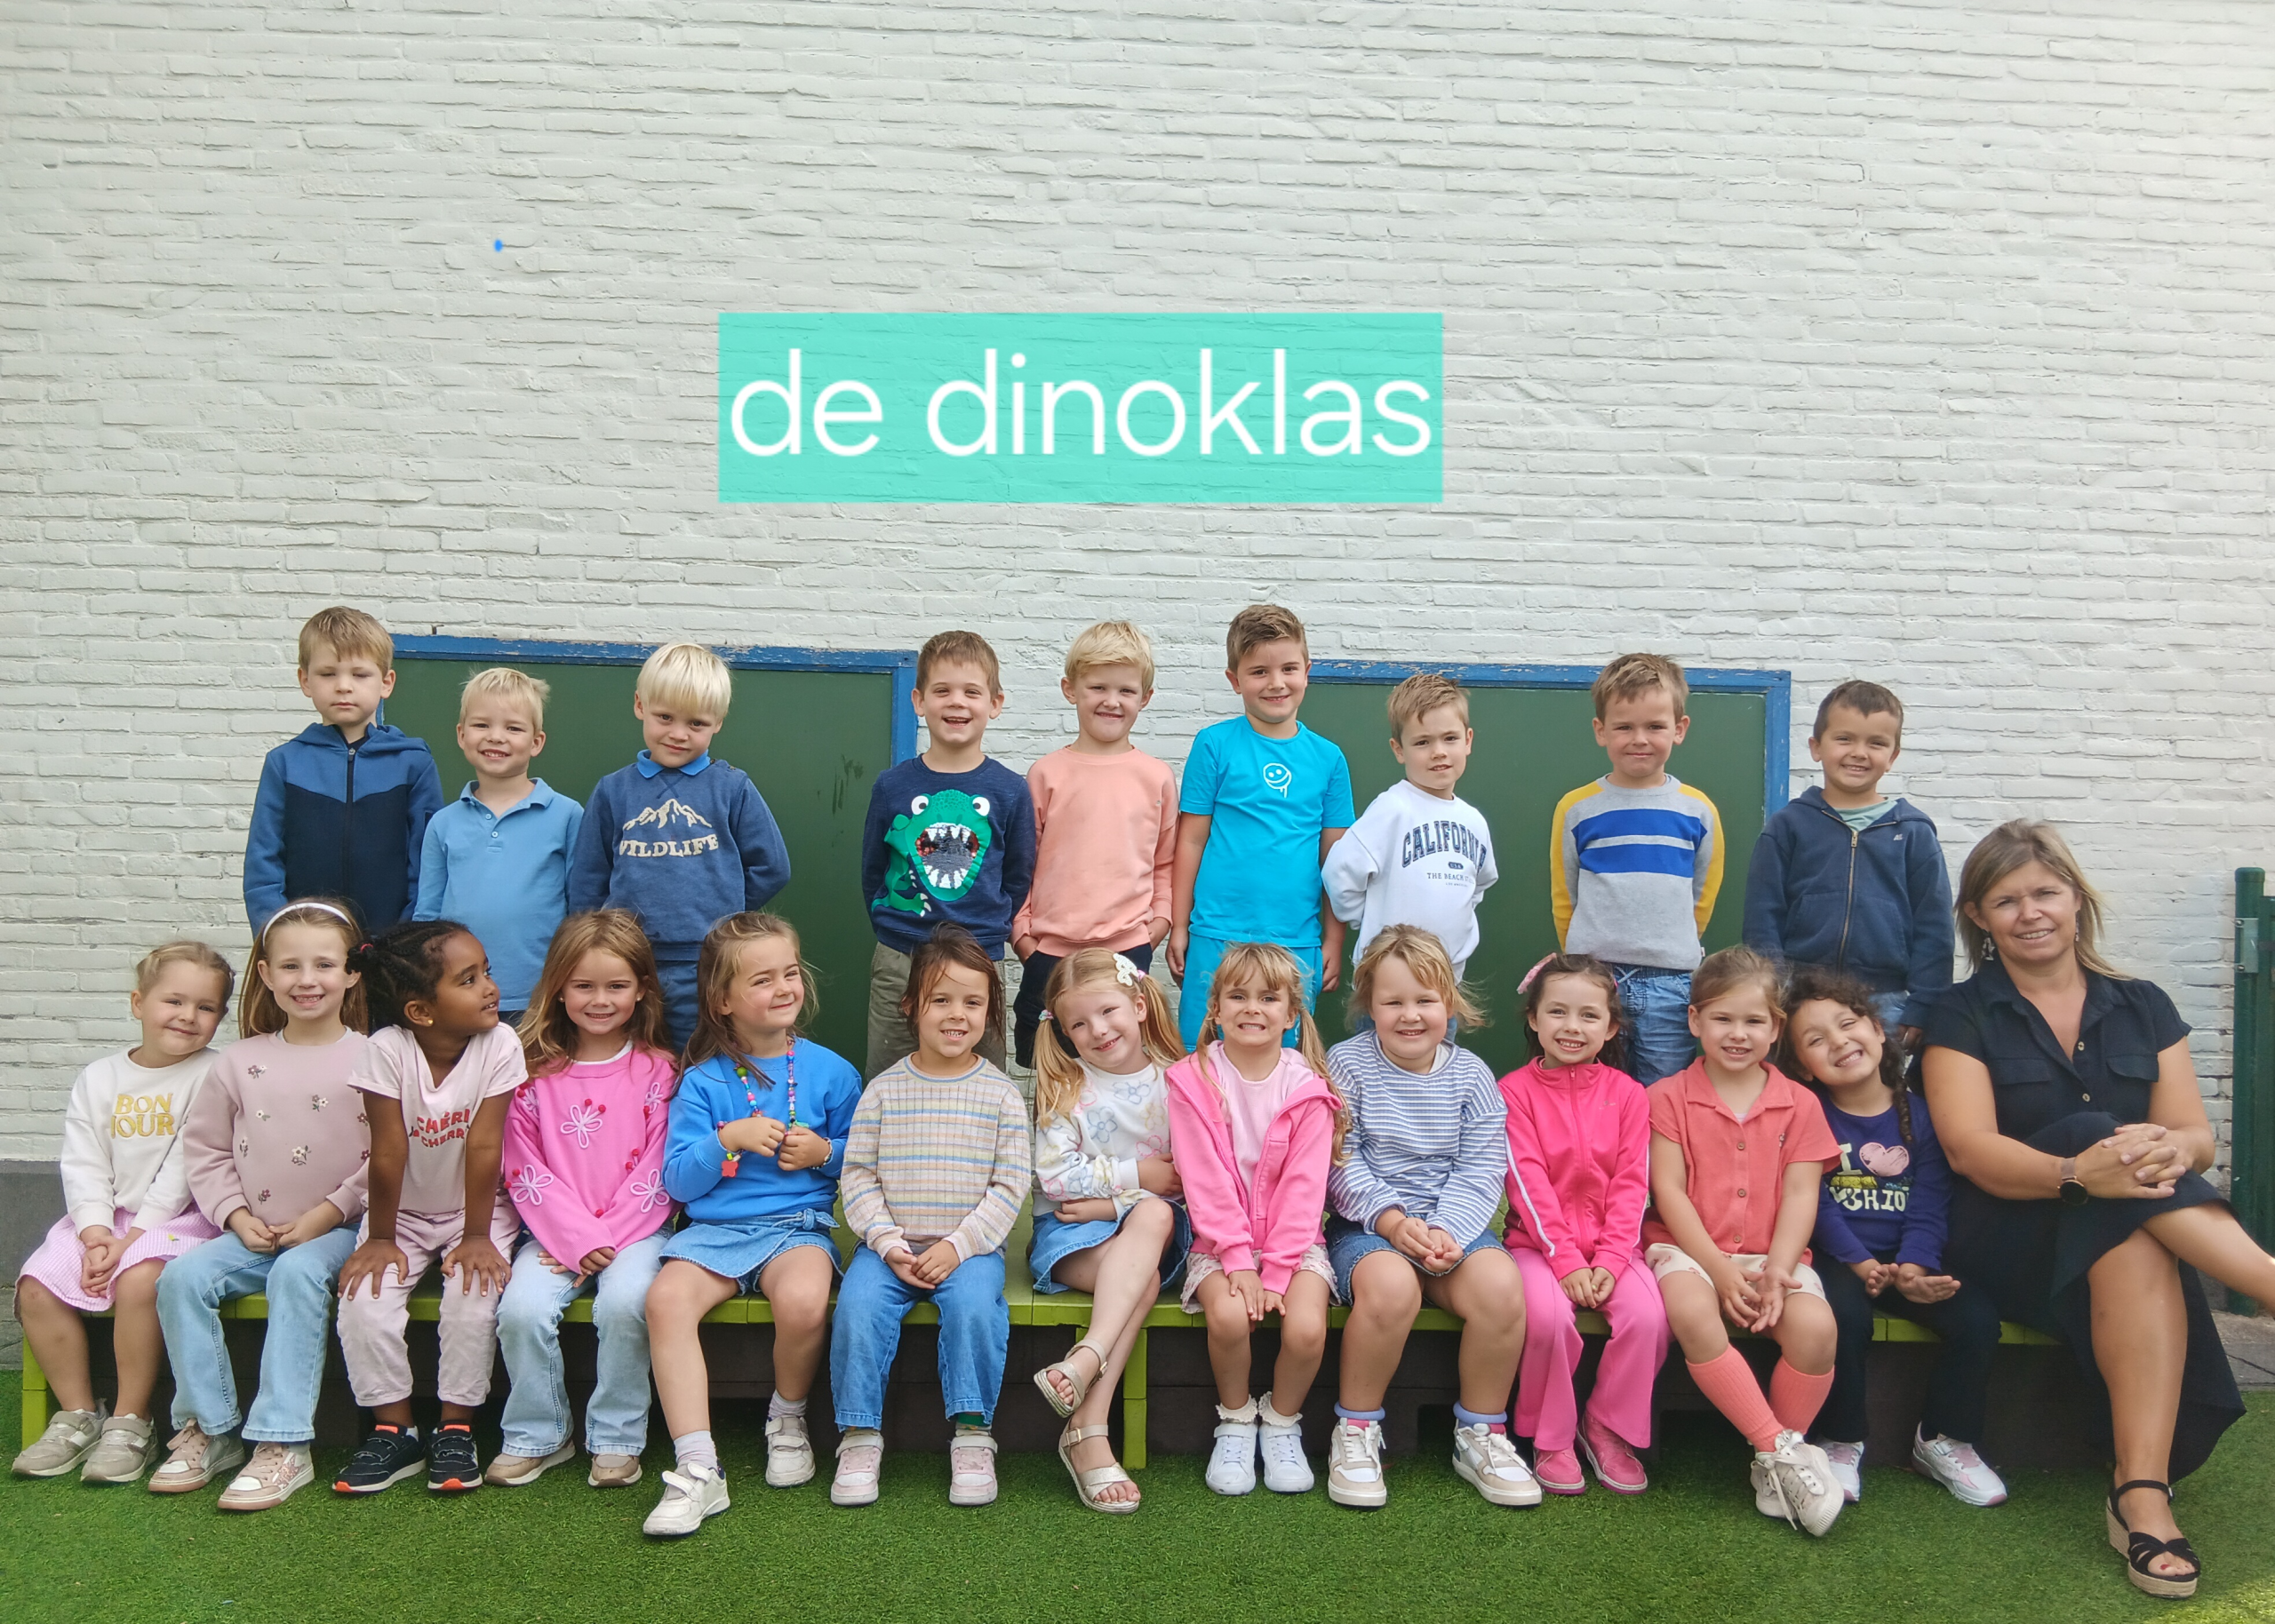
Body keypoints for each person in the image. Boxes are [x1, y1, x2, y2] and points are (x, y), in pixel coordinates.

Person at [1923, 819, 2275, 1600]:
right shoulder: (1961, 1012)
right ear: (1979, 917)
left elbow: (2196, 1138)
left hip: (2119, 1229)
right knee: (2096, 1138)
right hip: (2002, 1236)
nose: (2030, 912)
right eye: (2005, 901)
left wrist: (2171, 1151)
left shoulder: (2143, 1005)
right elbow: (1970, 1151)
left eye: (2045, 893)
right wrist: (2078, 1173)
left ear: (2076, 898)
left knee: (2134, 1227)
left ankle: (2140, 1496)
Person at [642, 912, 861, 1537]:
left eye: (790, 972)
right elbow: (678, 1183)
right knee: (665, 1301)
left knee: (803, 1301)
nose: (784, 987)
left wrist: (826, 1153)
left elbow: (867, 1161)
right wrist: (725, 1140)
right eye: (762, 980)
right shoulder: (701, 1082)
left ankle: (787, 1417)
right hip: (714, 1231)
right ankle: (698, 1465)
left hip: (798, 1226)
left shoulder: (833, 1072)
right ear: (722, 1000)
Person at [153, 900, 372, 1510]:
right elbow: (207, 1148)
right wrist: (235, 1215)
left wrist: (327, 1214)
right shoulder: (239, 1061)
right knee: (182, 1278)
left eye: (324, 964)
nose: (307, 980)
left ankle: (283, 1442)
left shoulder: (375, 1057)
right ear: (266, 975)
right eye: (291, 966)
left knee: (297, 1275)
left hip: (340, 1229)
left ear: (352, 973)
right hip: (254, 1230)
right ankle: (210, 1428)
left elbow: (389, 1153)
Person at [1323, 927, 1535, 1509]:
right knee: (1392, 1289)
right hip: (1367, 1227)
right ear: (1369, 1006)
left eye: (1425, 1000)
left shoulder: (1472, 1076)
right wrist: (1392, 1221)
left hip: (1452, 1229)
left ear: (1450, 1004)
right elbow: (1341, 1159)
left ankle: (1480, 1433)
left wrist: (1446, 1231)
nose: (1410, 1015)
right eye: (1393, 1001)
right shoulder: (1347, 1065)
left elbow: (1481, 1166)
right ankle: (1356, 1428)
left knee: (1501, 1289)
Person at [12, 942, 234, 1484]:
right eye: (173, 1001)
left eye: (205, 1007)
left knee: (139, 1280)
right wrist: (93, 1234)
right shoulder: (99, 1077)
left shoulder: (214, 1072)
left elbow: (185, 1168)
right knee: (36, 1287)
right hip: (105, 1221)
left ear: (221, 1017)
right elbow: (83, 1161)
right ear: (138, 1003)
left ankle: (131, 1421)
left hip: (182, 1218)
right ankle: (77, 1415)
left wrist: (132, 1239)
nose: (187, 1016)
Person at [1782, 966, 2004, 1507]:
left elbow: (1931, 1200)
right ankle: (1841, 1439)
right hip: (1836, 1255)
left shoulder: (1922, 1116)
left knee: (1976, 1319)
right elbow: (1816, 1203)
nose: (1839, 1042)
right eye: (1816, 1040)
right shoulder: (1810, 1115)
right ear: (1804, 1067)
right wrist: (1860, 1263)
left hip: (1907, 1256)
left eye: (1848, 1024)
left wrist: (1914, 1266)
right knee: (1844, 1317)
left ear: (1878, 1030)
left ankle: (1945, 1438)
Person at [1644, 946, 1846, 1537]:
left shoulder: (1800, 1104)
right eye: (1723, 1019)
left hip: (1771, 1254)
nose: (1738, 1034)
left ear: (1776, 1028)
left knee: (1816, 1330)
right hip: (1688, 1250)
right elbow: (1669, 1192)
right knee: (1692, 1312)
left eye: (1754, 1021)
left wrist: (1779, 1270)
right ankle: (1776, 1449)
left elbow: (1802, 1193)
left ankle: (1771, 1469)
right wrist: (1718, 1268)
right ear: (1694, 1020)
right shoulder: (1666, 1097)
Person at [833, 926, 1031, 1509]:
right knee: (857, 1308)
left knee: (974, 1311)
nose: (956, 1014)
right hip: (888, 1250)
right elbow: (858, 1176)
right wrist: (886, 1241)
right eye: (940, 999)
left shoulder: (1000, 1094)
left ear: (990, 1012)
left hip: (968, 1251)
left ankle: (972, 1433)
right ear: (910, 1006)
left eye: (972, 1002)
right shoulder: (883, 1092)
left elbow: (1009, 1185)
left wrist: (960, 1245)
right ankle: (859, 1434)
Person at [331, 921, 523, 1496]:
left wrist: (476, 1236)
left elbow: (485, 1146)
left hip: (478, 1211)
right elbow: (389, 1151)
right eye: (468, 980)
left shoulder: (501, 1044)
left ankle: (456, 1427)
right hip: (403, 1215)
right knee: (364, 1302)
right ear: (420, 1011)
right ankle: (395, 1430)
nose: (489, 987)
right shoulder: (384, 1052)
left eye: (486, 972)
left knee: (472, 1298)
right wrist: (380, 1239)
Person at [490, 912, 677, 1491]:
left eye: (616, 985)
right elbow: (523, 1167)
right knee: (521, 1311)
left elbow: (658, 1169)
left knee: (626, 1304)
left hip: (637, 1234)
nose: (600, 1000)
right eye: (584, 986)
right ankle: (538, 1435)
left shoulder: (659, 1071)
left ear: (641, 989)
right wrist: (575, 1239)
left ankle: (618, 1436)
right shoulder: (531, 1075)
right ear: (558, 988)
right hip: (553, 1238)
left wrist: (605, 1239)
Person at [1166, 941, 1340, 1498]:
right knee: (1229, 1318)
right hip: (1219, 1244)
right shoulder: (1192, 1080)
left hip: (1295, 1244)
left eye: (1269, 998)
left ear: (1291, 1015)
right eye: (1238, 996)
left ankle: (1282, 1423)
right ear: (1215, 1008)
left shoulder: (1308, 1089)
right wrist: (1239, 1261)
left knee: (1306, 1328)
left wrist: (1278, 1271)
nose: (1252, 1008)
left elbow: (1305, 1188)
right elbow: (1203, 1179)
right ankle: (1237, 1420)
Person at [1026, 948, 1190, 1512]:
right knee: (1143, 1263)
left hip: (1151, 1234)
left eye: (1108, 1011)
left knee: (1155, 1219)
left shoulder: (1178, 1082)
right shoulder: (1066, 1085)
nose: (1097, 1030)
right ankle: (1087, 1427)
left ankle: (1086, 1366)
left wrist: (1111, 1205)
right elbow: (1054, 1177)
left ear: (1139, 1005)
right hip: (1070, 1240)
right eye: (1078, 1023)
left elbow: (1192, 1177)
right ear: (1063, 1030)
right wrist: (1137, 1178)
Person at [567, 641, 792, 1051]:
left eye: (696, 723)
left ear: (718, 722)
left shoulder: (732, 788)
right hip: (627, 963)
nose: (678, 734)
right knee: (635, 1059)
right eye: (665, 717)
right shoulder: (613, 790)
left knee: (703, 1059)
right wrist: (595, 948)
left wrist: (723, 912)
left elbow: (772, 867)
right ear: (640, 705)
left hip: (710, 962)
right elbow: (588, 879)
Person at [1501, 952, 1666, 1497]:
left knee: (1647, 1316)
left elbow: (1632, 1184)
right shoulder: (1513, 1092)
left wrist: (1613, 1260)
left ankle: (1606, 1427)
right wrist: (1567, 1260)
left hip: (1616, 1252)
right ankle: (1550, 1437)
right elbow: (1526, 1184)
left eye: (1589, 1015)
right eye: (1558, 1012)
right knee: (1548, 1319)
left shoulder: (1629, 1095)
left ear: (1611, 1027)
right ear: (1533, 1019)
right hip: (1537, 1248)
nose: (1572, 1027)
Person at [1168, 605, 1354, 1050]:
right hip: (1216, 933)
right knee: (1202, 1056)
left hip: (1296, 939)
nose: (1276, 683)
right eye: (1258, 672)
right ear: (1235, 680)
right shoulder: (1214, 744)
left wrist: (1333, 939)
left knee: (1282, 1061)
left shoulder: (1329, 758)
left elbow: (1336, 858)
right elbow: (1191, 840)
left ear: (1306, 671)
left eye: (1288, 668)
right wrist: (1179, 926)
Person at [860, 631, 1037, 1078]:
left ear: (995, 703)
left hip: (979, 956)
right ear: (919, 701)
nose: (956, 702)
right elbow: (873, 870)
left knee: (982, 1078)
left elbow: (1018, 875)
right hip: (901, 955)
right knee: (889, 1075)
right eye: (942, 690)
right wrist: (897, 924)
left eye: (971, 692)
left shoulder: (1011, 790)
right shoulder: (891, 786)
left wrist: (986, 929)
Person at [1743, 681, 1952, 1047]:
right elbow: (1763, 918)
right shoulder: (1788, 827)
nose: (1859, 753)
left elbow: (1934, 927)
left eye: (1876, 743)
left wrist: (1925, 1003)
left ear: (1893, 756)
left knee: (1877, 1084)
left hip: (1885, 1002)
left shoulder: (1914, 833)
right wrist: (1772, 990)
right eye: (1844, 739)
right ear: (1816, 747)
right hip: (1798, 996)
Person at [1549, 652, 1723, 1084]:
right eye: (1624, 727)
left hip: (1671, 985)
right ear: (1601, 731)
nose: (1639, 739)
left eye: (1655, 727)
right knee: (1593, 1091)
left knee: (1662, 1094)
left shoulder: (1698, 810)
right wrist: (1581, 963)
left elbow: (1703, 893)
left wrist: (1672, 945)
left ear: (1679, 729)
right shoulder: (1577, 808)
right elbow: (1565, 894)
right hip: (1595, 982)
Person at [1010, 620, 1177, 1068]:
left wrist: (1159, 923)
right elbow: (1022, 863)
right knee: (1052, 1075)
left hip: (1127, 951)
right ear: (1070, 689)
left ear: (1145, 697)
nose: (1111, 700)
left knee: (1121, 1071)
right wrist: (1023, 936)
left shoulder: (1156, 777)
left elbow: (1165, 862)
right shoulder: (1046, 774)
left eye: (1126, 690)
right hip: (1049, 953)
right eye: (1098, 687)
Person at [243, 606, 443, 934]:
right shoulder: (285, 764)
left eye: (360, 674)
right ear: (305, 681)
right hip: (306, 948)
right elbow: (263, 867)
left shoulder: (414, 764)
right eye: (328, 674)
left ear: (386, 682)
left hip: (390, 948)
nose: (343, 686)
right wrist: (278, 937)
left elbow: (427, 866)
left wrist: (407, 942)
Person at [413, 666, 584, 1026]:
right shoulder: (443, 824)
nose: (496, 737)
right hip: (459, 999)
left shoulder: (567, 815)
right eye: (482, 725)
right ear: (461, 735)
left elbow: (580, 912)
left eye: (513, 728)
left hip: (540, 997)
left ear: (536, 742)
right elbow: (427, 918)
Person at [1321, 673, 1497, 983]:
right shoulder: (1392, 809)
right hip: (1386, 979)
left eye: (1450, 738)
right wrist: (1371, 918)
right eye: (1422, 742)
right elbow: (1339, 873)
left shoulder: (1474, 821)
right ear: (1399, 749)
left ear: (1468, 740)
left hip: (1447, 982)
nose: (1439, 751)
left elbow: (1478, 885)